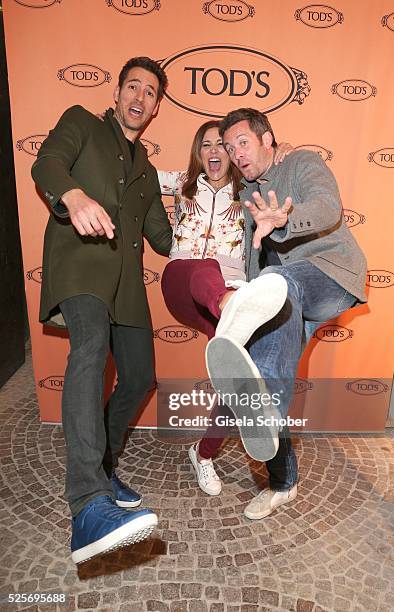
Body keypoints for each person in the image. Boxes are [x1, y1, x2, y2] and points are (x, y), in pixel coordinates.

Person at [31, 57, 173, 563]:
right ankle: (88, 504)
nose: (140, 96)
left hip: (128, 286)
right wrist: (71, 194)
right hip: (82, 267)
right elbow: (45, 163)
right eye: (133, 86)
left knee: (139, 379)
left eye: (151, 92)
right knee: (90, 349)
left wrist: (204, 208)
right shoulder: (81, 123)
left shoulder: (150, 172)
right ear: (117, 93)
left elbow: (163, 238)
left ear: (156, 108)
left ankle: (105, 464)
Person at [205, 107, 367, 520]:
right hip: (286, 296)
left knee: (282, 281)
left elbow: (328, 206)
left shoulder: (302, 162)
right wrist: (249, 285)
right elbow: (257, 255)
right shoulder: (246, 195)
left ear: (268, 139)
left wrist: (285, 219)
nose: (235, 153)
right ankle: (282, 480)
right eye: (229, 147)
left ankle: (248, 338)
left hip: (332, 275)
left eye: (243, 142)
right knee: (263, 382)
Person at [158, 121, 292, 496]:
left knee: (236, 376)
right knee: (206, 269)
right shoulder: (180, 183)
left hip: (231, 285)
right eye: (207, 145)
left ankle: (203, 454)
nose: (215, 151)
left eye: (223, 145)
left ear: (233, 154)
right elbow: (131, 174)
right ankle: (230, 306)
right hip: (183, 281)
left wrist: (282, 150)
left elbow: (278, 172)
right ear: (198, 152)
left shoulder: (247, 190)